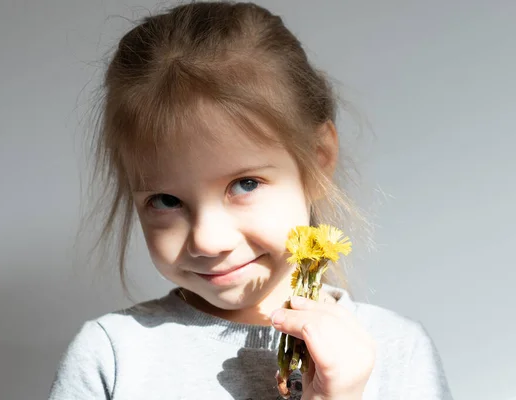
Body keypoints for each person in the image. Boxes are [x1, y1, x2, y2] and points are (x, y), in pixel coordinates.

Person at [48, 2, 452, 399]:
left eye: (244, 184)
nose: (208, 241)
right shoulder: (112, 357)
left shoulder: (399, 352)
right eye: (167, 199)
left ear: (318, 159)